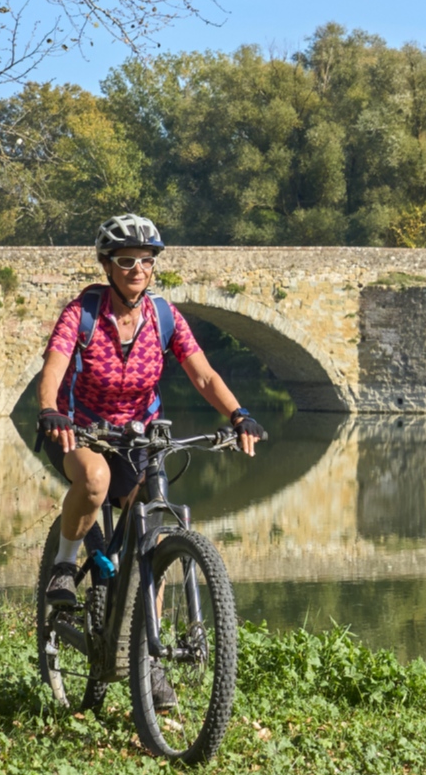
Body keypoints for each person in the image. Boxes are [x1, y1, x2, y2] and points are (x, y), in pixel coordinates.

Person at [38, 214, 261, 617]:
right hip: (78, 432)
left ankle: (147, 647)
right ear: (107, 266)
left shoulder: (164, 317)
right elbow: (54, 366)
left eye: (146, 260)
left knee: (152, 537)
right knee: (95, 479)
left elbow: (204, 376)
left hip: (138, 437)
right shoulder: (82, 313)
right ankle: (65, 565)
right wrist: (50, 410)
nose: (137, 269)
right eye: (126, 261)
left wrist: (238, 415)